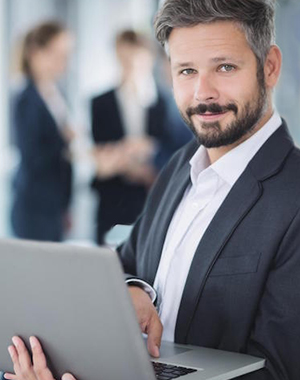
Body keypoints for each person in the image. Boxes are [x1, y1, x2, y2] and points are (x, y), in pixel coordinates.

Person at [4, 0, 300, 379]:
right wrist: (134, 289)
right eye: (186, 71)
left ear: (270, 66)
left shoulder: (292, 197)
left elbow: (279, 371)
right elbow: (125, 264)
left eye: (224, 67)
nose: (202, 93)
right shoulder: (181, 166)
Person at [91, 29, 191, 244]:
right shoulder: (100, 103)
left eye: (136, 59)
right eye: (124, 59)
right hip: (113, 198)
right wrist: (125, 158)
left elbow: (179, 151)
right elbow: (99, 151)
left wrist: (151, 154)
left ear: (149, 59)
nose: (130, 66)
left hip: (153, 196)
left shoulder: (168, 103)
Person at [11, 21, 74, 242]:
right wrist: (65, 143)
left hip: (55, 204)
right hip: (34, 206)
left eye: (66, 55)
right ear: (35, 53)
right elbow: (32, 155)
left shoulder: (58, 93)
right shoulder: (25, 98)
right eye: (57, 55)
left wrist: (66, 204)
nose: (63, 63)